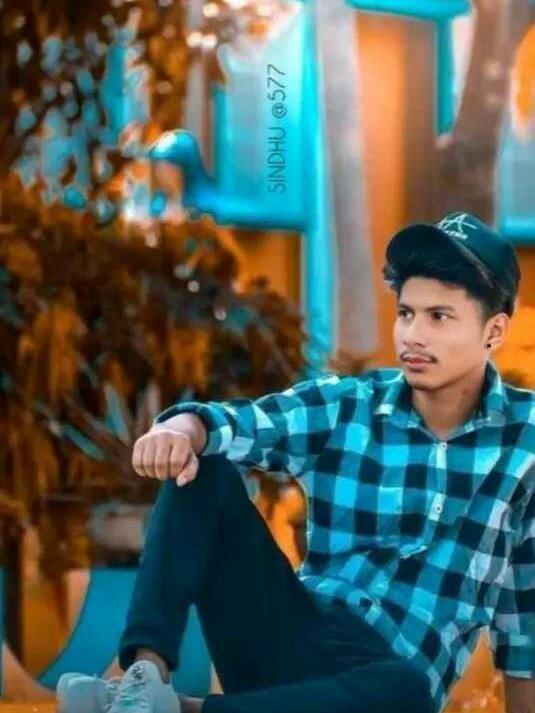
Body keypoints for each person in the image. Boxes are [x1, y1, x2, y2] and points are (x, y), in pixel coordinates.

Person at [58, 212, 535, 713]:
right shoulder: (350, 404)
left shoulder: (525, 442)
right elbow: (240, 423)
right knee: (204, 468)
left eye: (438, 317)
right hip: (296, 629)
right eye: (405, 313)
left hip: (381, 687)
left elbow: (524, 619)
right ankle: (142, 679)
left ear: (493, 331)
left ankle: (179, 709)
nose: (413, 335)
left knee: (409, 688)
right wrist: (181, 430)